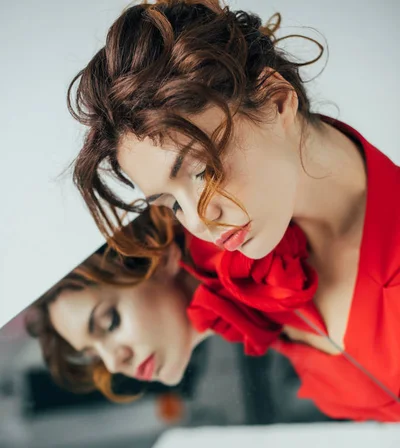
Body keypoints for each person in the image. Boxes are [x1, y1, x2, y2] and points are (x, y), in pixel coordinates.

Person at [65, 0, 400, 412]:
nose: (201, 222)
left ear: (277, 100)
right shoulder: (253, 256)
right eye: (171, 204)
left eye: (203, 170)